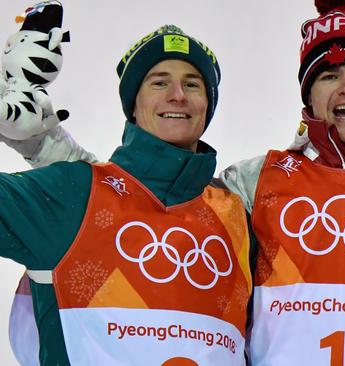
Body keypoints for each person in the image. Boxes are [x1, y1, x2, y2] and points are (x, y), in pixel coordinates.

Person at [3, 1, 345, 364]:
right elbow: (136, 200)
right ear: (308, 93)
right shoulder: (256, 180)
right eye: (328, 75)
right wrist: (43, 143)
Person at [0, 24, 251, 365]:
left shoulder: (237, 214)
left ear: (207, 105)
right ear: (134, 104)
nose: (177, 94)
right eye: (159, 82)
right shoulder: (74, 192)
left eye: (192, 84)